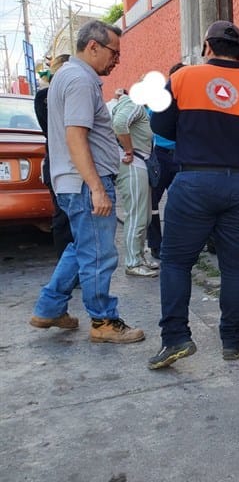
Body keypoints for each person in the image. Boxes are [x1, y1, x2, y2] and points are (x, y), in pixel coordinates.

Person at [147, 20, 239, 369]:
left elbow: (159, 126)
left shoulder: (182, 78)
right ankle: (232, 340)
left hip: (194, 181)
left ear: (207, 47)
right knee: (236, 268)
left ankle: (176, 337)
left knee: (177, 261)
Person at [29, 20, 145, 344]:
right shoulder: (80, 80)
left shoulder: (67, 76)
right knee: (98, 254)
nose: (117, 60)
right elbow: (75, 136)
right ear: (93, 46)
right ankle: (103, 320)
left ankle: (49, 307)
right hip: (84, 184)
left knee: (82, 248)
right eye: (114, 53)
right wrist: (96, 187)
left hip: (74, 182)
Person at [111, 87, 157, 277]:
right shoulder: (135, 104)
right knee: (137, 215)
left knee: (143, 216)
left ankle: (138, 256)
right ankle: (133, 261)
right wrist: (128, 150)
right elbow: (120, 124)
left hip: (137, 164)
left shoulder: (133, 105)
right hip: (133, 164)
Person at [34, 53, 73, 258]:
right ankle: (66, 268)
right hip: (59, 161)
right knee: (63, 217)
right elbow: (50, 128)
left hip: (70, 161)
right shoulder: (45, 97)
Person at [146, 62, 185, 260]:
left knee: (181, 203)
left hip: (181, 157)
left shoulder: (190, 99)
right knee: (152, 202)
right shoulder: (158, 99)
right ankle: (155, 244)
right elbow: (147, 125)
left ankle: (177, 242)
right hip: (160, 156)